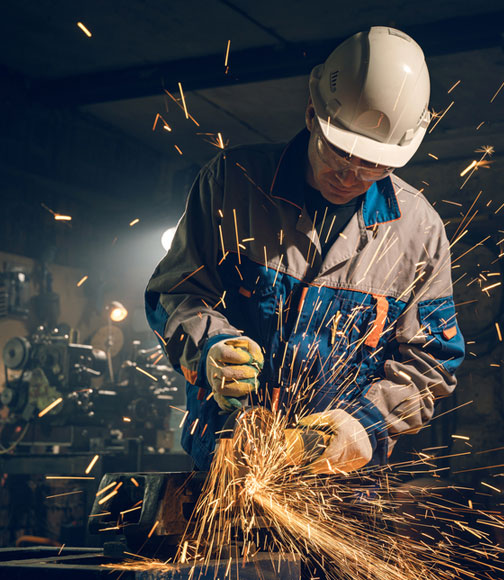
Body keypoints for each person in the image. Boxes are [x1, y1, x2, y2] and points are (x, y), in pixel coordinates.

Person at [145, 26, 464, 475]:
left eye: (372, 164)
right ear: (312, 113)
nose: (349, 176)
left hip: (344, 487)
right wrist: (211, 346)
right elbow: (174, 293)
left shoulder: (419, 231)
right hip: (228, 461)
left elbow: (431, 361)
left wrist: (365, 424)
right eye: (339, 152)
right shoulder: (233, 183)